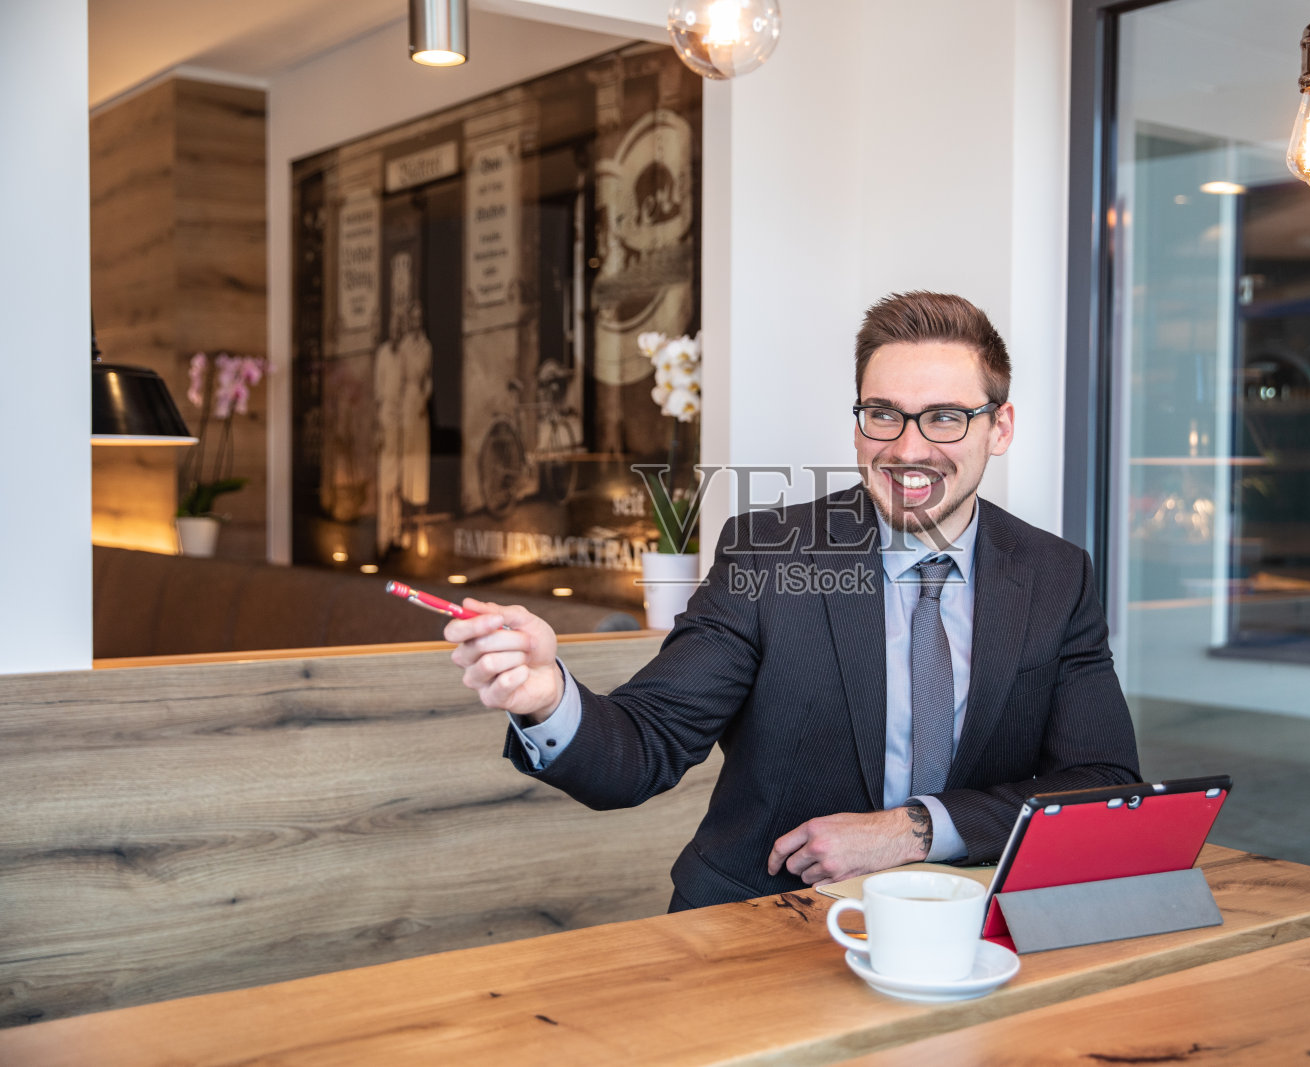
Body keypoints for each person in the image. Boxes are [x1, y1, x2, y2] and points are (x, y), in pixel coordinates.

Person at [447, 291, 1139, 910]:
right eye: (883, 415)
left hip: (972, 924)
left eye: (946, 418)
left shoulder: (1056, 574)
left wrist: (916, 829)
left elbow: (1104, 782)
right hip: (765, 920)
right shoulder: (769, 554)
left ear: (1001, 426)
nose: (908, 448)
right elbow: (643, 745)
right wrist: (547, 695)